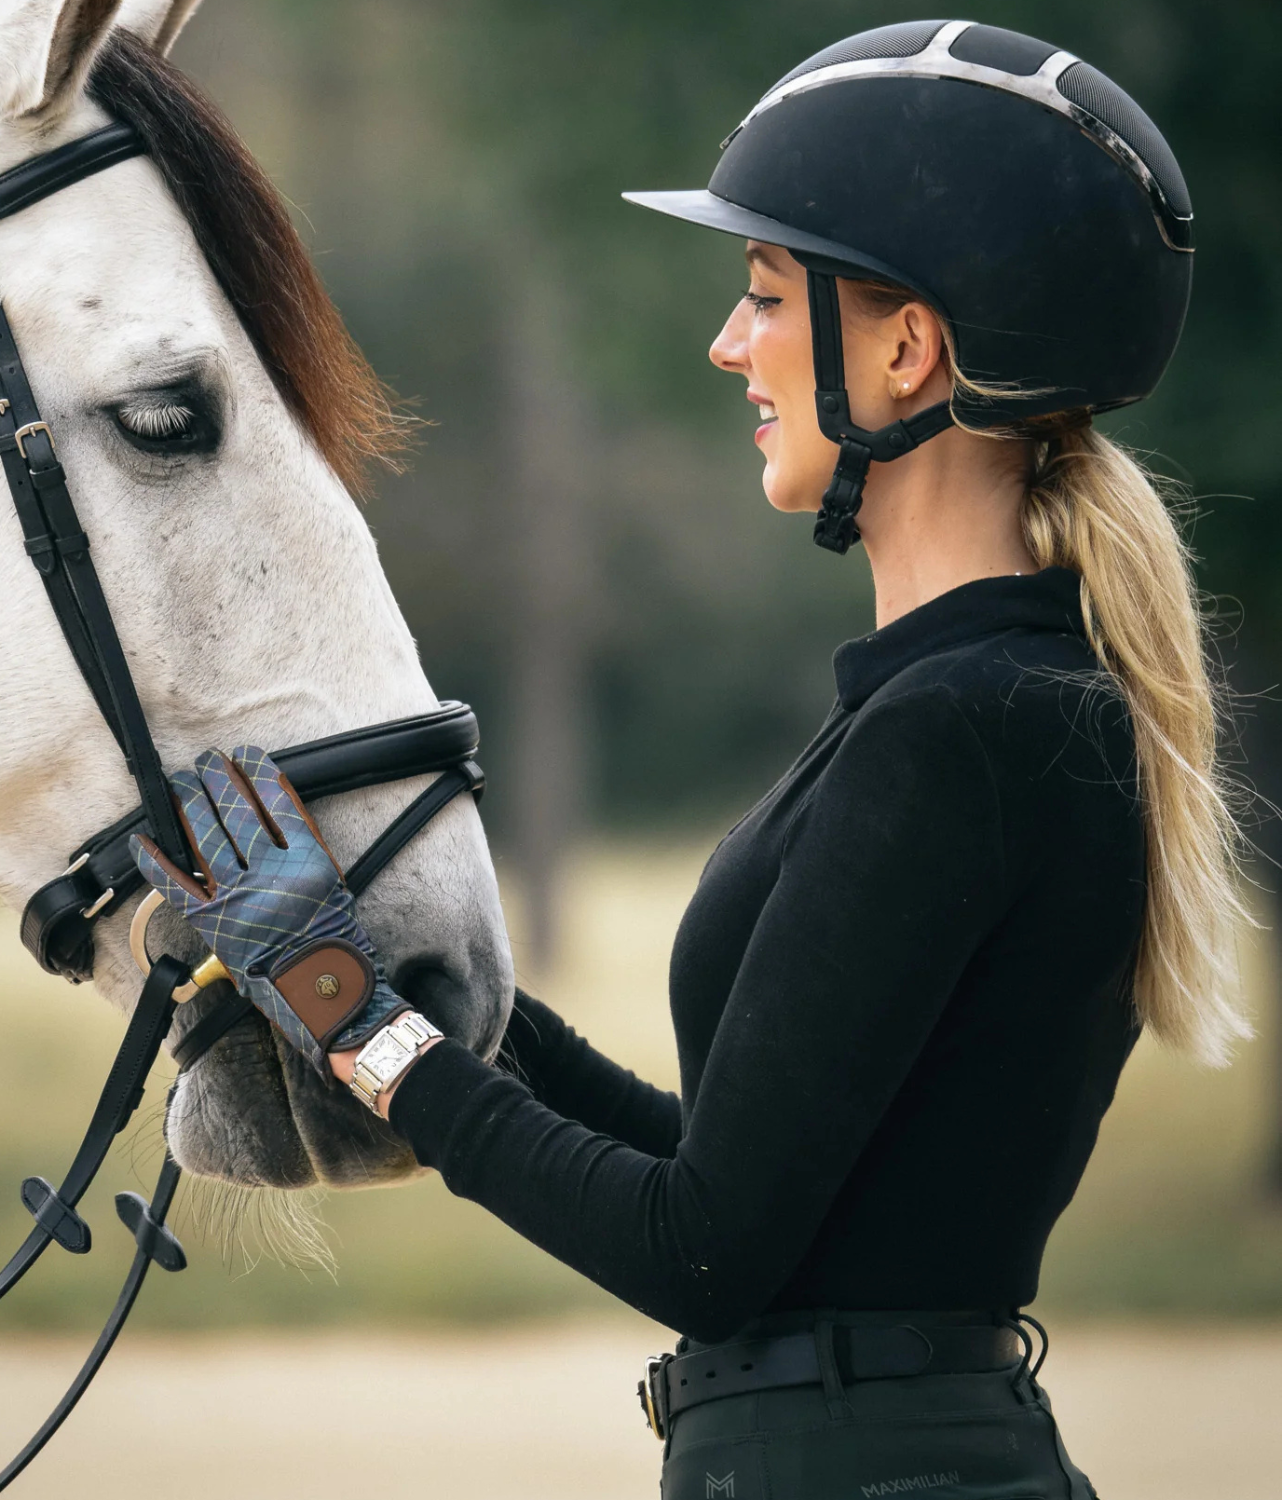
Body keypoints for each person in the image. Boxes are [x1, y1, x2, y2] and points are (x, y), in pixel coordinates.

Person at [134, 21, 1251, 1498]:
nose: (730, 345)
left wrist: (352, 1017)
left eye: (767, 297)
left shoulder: (964, 729)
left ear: (908, 349)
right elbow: (738, 1186)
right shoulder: (968, 706)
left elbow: (702, 1253)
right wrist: (403, 987)